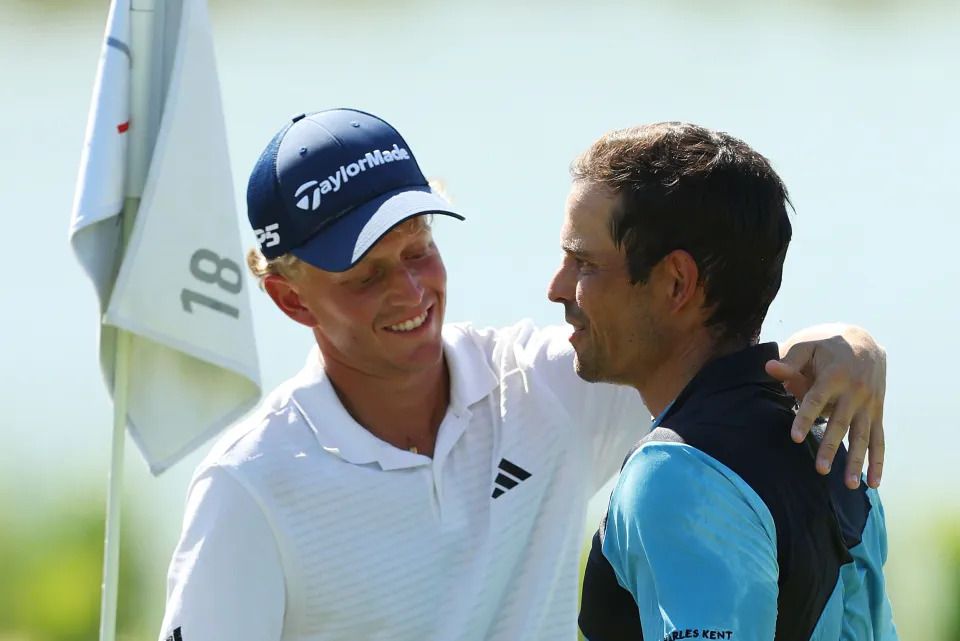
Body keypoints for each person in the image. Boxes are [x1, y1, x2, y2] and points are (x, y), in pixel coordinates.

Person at [158, 109, 888, 641]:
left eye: (418, 250)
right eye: (366, 275)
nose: (410, 292)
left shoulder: (544, 387)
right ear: (291, 299)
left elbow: (701, 341)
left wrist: (847, 347)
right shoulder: (247, 487)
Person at [567, 123, 897, 640]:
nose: (556, 287)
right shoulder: (831, 447)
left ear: (676, 283)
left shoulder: (676, 473)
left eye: (584, 263)